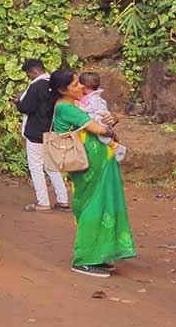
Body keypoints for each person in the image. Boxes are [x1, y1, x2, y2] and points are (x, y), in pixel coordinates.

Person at [49, 68, 135, 278]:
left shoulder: (75, 104)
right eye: (75, 84)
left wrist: (111, 121)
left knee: (102, 205)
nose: (81, 87)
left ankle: (98, 254)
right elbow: (99, 129)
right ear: (63, 90)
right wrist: (111, 128)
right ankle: (85, 259)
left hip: (97, 165)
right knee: (92, 207)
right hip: (88, 167)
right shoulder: (67, 108)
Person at [14, 59, 70, 212]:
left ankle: (43, 202)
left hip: (35, 133)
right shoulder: (55, 84)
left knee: (36, 167)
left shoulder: (36, 85)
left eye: (29, 74)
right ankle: (63, 201)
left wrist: (18, 102)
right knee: (52, 167)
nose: (29, 77)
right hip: (51, 131)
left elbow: (27, 107)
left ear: (34, 71)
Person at [79, 71, 126, 162]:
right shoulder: (93, 96)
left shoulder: (92, 98)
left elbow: (89, 108)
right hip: (99, 120)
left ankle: (116, 147)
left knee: (102, 136)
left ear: (84, 86)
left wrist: (79, 107)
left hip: (100, 120)